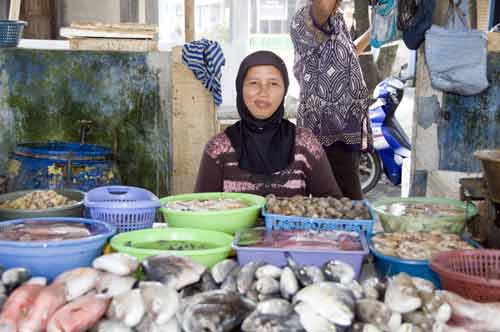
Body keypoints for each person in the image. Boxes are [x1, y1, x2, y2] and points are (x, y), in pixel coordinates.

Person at [195, 50, 342, 198]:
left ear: (284, 90)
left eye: (273, 83)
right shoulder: (218, 149)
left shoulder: (305, 144)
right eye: (254, 83)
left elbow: (334, 205)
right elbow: (201, 209)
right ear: (240, 88)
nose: (263, 92)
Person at [290, 0, 372, 200]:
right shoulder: (306, 17)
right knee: (347, 205)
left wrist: (374, 30)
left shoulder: (337, 18)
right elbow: (323, 7)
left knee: (342, 204)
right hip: (327, 132)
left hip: (345, 131)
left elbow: (349, 51)